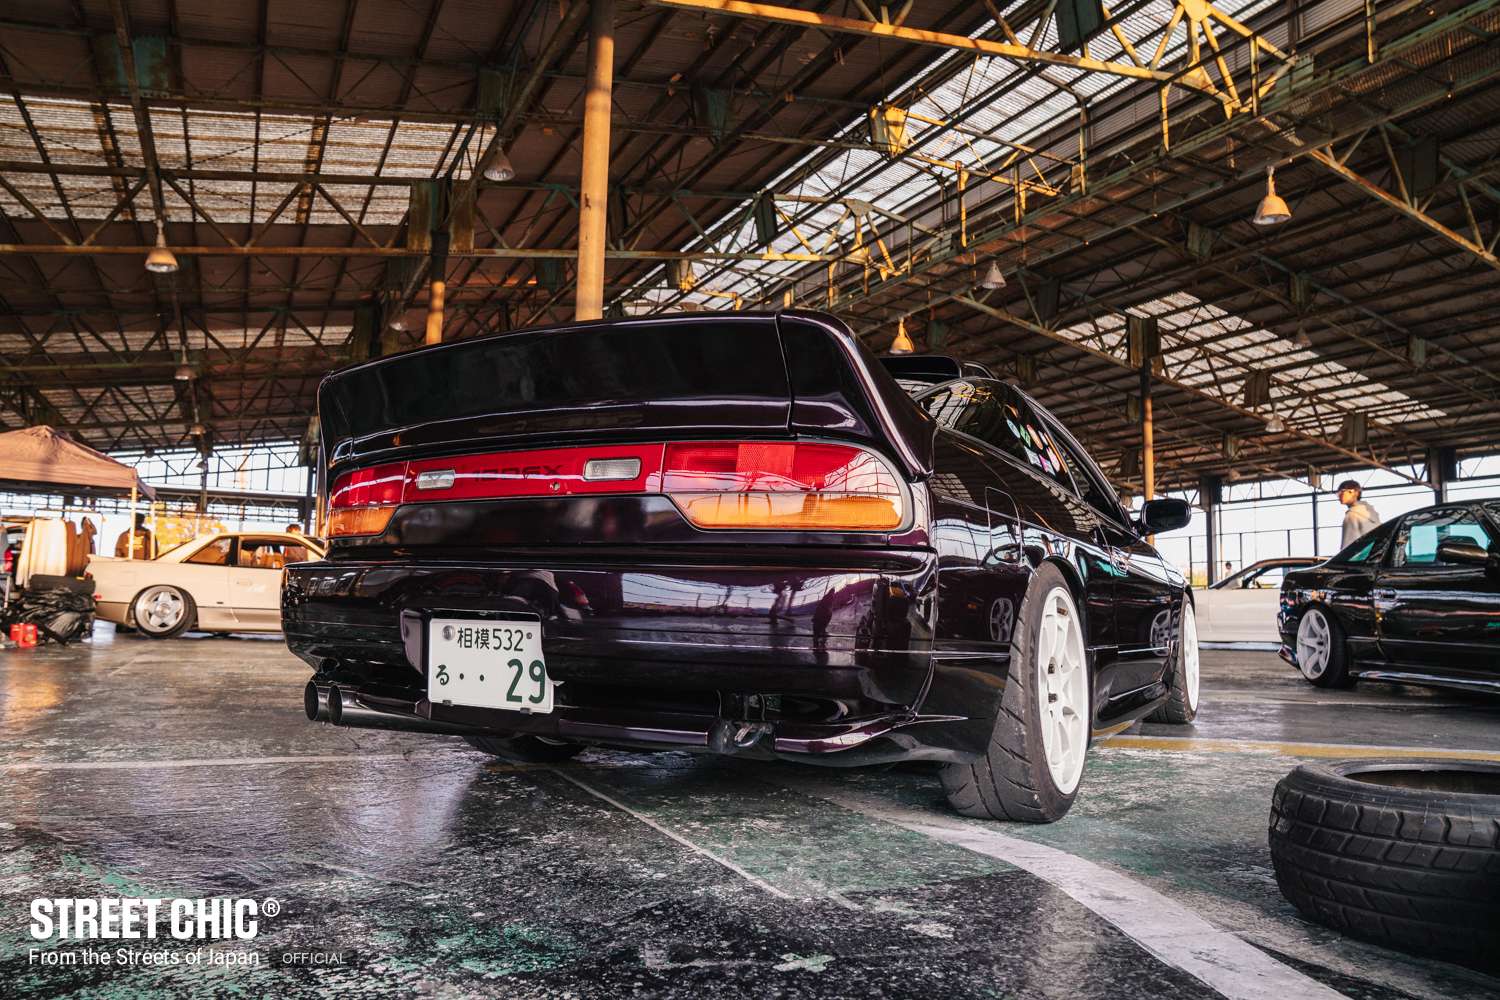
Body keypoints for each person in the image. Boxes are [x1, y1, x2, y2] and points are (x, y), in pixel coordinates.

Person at [1338, 479, 1381, 548]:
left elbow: (1348, 545)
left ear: (1356, 493)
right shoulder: (1372, 513)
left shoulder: (1352, 515)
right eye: (1338, 493)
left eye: (1342, 491)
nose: (1339, 495)